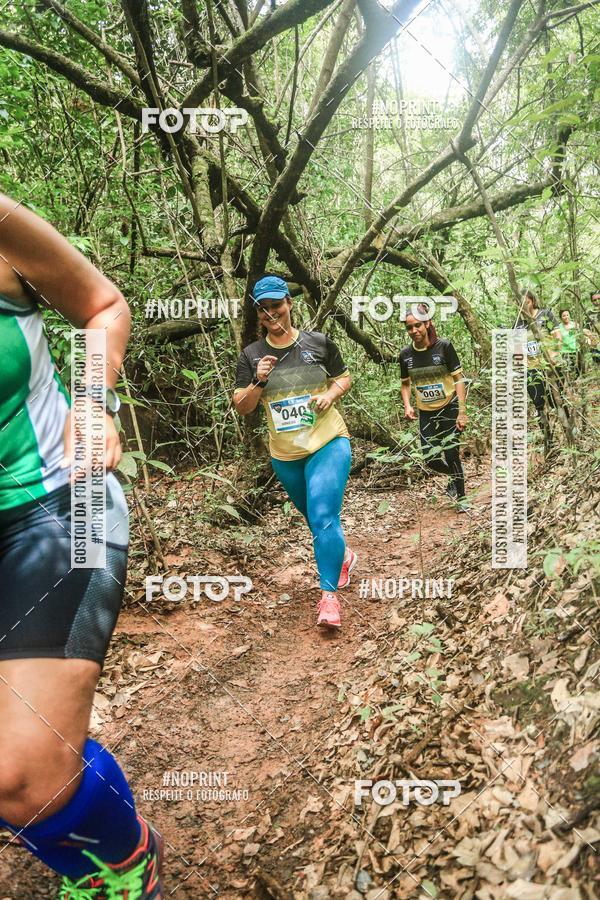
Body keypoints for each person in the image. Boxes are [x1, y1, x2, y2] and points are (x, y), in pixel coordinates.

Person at [0, 194, 163, 899]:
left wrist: (94, 402)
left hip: (62, 500)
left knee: (21, 772)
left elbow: (102, 304)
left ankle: (126, 865)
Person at [233, 275, 355, 629]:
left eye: (277, 305)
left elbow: (343, 377)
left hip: (327, 441)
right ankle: (342, 555)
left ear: (289, 303)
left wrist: (329, 396)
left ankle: (328, 598)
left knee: (321, 514)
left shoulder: (317, 343)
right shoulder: (252, 355)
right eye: (264, 308)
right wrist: (257, 380)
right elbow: (242, 407)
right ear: (259, 313)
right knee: (316, 519)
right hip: (285, 455)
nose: (272, 313)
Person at [399, 307, 469, 512]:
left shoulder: (444, 347)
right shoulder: (405, 355)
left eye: (417, 325)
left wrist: (462, 411)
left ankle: (462, 498)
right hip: (426, 411)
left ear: (427, 323)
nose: (414, 330)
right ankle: (454, 478)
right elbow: (405, 384)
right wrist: (407, 405)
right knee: (429, 457)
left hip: (449, 406)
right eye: (409, 327)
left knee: (451, 453)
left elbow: (459, 379)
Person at [515, 290, 561, 439]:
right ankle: (548, 438)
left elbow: (557, 336)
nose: (524, 306)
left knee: (557, 399)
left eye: (526, 302)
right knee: (539, 403)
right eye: (521, 303)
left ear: (533, 301)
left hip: (550, 364)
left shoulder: (545, 314)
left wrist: (554, 355)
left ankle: (568, 431)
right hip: (531, 369)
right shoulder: (518, 323)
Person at [557, 308, 579, 376]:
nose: (566, 317)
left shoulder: (575, 324)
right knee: (568, 371)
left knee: (578, 370)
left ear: (569, 315)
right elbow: (558, 341)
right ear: (561, 317)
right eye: (564, 316)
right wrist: (559, 353)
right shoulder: (558, 327)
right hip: (565, 352)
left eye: (567, 315)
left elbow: (579, 336)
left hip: (576, 350)